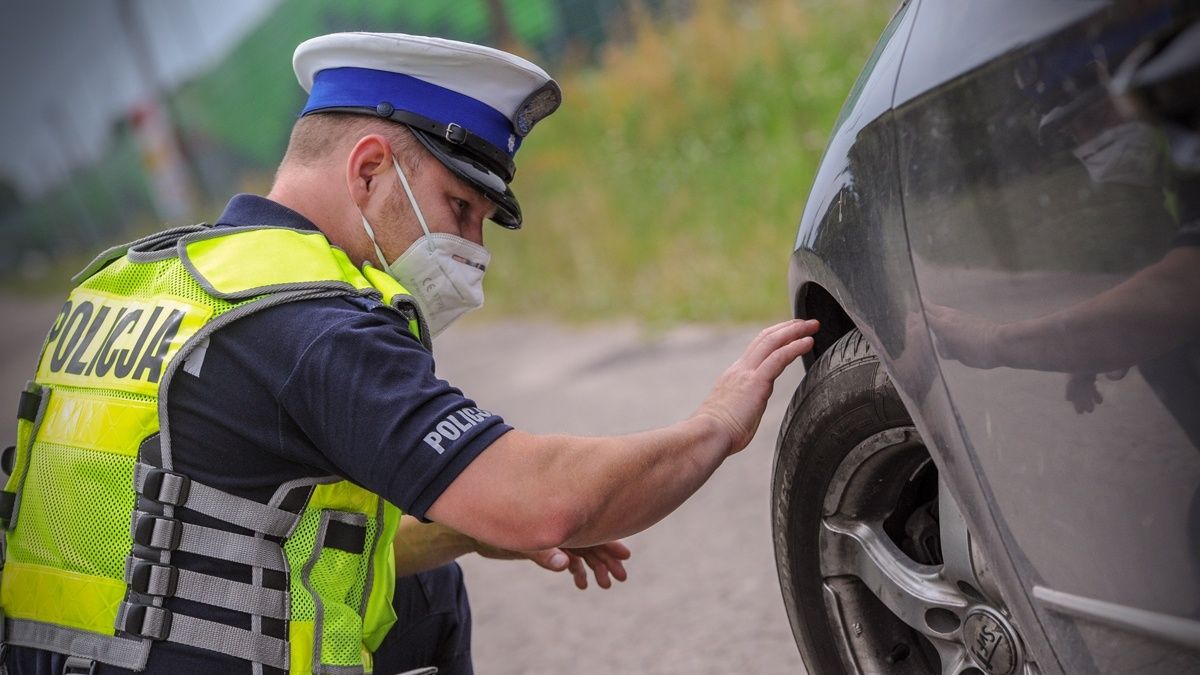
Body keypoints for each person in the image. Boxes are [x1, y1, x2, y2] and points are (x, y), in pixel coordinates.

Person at [0, 32, 818, 675]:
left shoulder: (132, 282)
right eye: (459, 208)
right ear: (368, 170)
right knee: (428, 604)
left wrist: (469, 529)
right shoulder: (312, 320)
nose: (472, 251)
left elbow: (204, 548)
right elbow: (543, 501)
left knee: (423, 576)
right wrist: (715, 424)